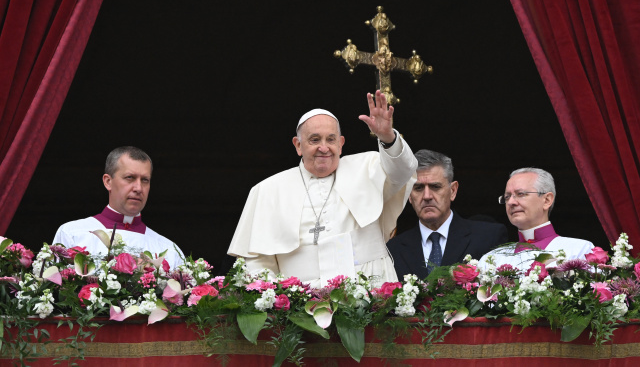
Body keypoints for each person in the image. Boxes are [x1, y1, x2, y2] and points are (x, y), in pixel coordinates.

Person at [227, 90, 417, 288]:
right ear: (298, 145)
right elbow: (259, 261)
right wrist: (276, 301)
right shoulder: (267, 190)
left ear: (341, 144)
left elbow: (404, 170)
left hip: (370, 289)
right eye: (315, 140)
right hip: (300, 303)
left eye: (331, 139)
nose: (324, 148)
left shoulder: (369, 166)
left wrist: (388, 138)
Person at [52, 146, 184, 268]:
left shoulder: (169, 250)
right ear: (108, 182)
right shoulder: (72, 233)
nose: (138, 188)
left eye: (145, 180)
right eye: (130, 177)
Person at [387, 149, 508, 279]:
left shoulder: (489, 237)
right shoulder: (393, 249)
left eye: (435, 187)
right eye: (418, 188)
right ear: (409, 195)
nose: (427, 196)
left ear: (453, 191)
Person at [478, 167, 594, 270]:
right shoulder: (491, 260)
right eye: (507, 197)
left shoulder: (579, 250)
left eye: (521, 194)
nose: (511, 202)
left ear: (547, 200)